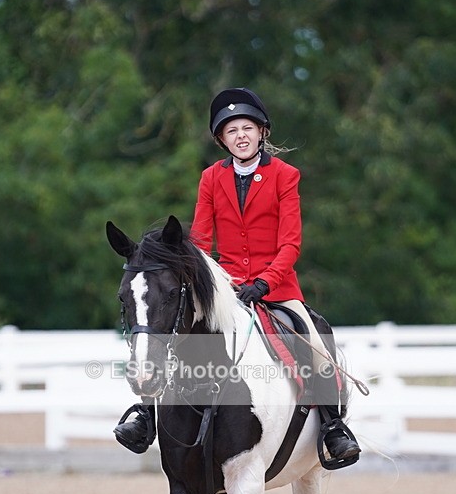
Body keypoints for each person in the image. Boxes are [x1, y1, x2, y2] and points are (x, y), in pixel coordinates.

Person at [114, 87, 360, 463]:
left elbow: (290, 244)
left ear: (262, 132)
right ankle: (147, 414)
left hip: (276, 287)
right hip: (226, 289)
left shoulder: (285, 176)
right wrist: (217, 284)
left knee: (314, 338)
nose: (240, 136)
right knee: (178, 333)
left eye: (247, 127)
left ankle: (332, 427)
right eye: (231, 131)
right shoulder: (211, 178)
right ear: (221, 139)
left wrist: (264, 282)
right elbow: (201, 241)